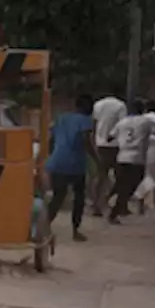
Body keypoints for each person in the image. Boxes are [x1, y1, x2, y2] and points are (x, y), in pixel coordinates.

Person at [45, 93, 98, 242]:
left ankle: (44, 227)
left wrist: (50, 155)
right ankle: (75, 230)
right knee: (79, 197)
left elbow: (51, 138)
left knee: (58, 196)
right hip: (75, 164)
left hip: (57, 161)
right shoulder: (86, 121)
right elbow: (86, 141)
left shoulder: (61, 118)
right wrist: (96, 158)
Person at [107, 100, 154, 223]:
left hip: (122, 157)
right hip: (137, 158)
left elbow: (109, 137)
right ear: (143, 110)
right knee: (131, 186)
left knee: (122, 183)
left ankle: (113, 199)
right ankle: (116, 207)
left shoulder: (122, 122)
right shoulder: (146, 121)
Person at [90, 92, 127, 216]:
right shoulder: (121, 106)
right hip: (115, 145)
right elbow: (123, 126)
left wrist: (95, 140)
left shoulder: (98, 104)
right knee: (121, 176)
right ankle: (114, 203)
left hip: (100, 143)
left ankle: (95, 205)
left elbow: (94, 124)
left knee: (100, 176)